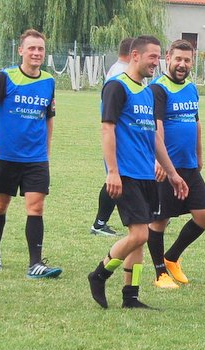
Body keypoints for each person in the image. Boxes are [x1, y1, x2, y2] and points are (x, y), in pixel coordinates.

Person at [87, 35, 189, 309]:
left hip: (147, 176)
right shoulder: (116, 87)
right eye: (152, 56)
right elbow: (107, 128)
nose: (156, 62)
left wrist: (172, 173)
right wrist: (112, 171)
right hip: (127, 174)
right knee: (140, 235)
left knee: (139, 240)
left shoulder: (146, 91)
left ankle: (130, 296)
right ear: (135, 55)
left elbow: (154, 137)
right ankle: (99, 274)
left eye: (158, 57)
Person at [0, 29, 62, 279]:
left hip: (36, 158)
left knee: (36, 207)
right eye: (32, 48)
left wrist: (47, 150)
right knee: (1, 204)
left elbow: (49, 118)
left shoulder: (49, 81)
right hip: (5, 156)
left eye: (40, 49)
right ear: (21, 51)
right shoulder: (6, 77)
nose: (36, 53)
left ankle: (35, 264)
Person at [147, 39, 205, 289]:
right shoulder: (158, 89)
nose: (182, 64)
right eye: (178, 59)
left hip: (189, 165)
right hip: (166, 167)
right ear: (168, 58)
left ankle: (172, 257)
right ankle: (160, 273)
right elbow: (157, 126)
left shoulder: (192, 89)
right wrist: (159, 160)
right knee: (160, 220)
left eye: (187, 60)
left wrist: (199, 155)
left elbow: (196, 123)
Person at [90, 37, 133, 236]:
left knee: (120, 178)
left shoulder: (118, 69)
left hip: (122, 135)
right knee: (117, 178)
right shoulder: (120, 74)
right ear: (133, 54)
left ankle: (153, 214)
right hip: (120, 136)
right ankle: (99, 223)